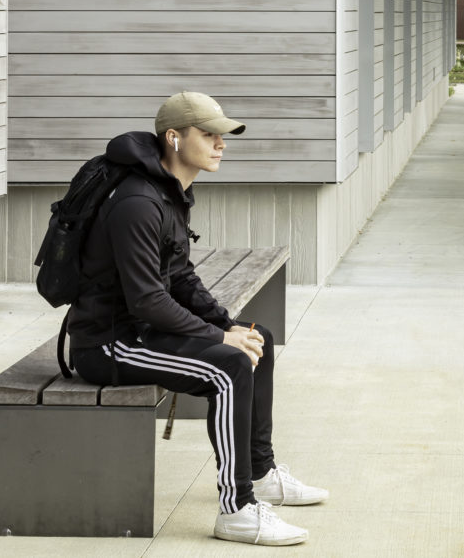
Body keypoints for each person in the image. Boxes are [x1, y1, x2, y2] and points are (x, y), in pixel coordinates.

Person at [68, 91, 327, 546]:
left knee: (254, 337)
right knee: (227, 367)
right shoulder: (137, 203)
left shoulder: (170, 191)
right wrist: (217, 339)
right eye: (209, 135)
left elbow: (180, 274)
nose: (220, 144)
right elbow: (148, 300)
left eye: (221, 135)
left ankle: (261, 472)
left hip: (145, 332)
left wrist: (227, 326)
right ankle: (238, 509)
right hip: (109, 344)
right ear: (174, 137)